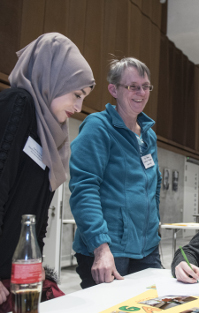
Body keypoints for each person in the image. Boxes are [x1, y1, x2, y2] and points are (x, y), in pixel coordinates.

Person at [0, 32, 95, 310]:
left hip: (19, 276)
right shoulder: (18, 104)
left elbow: (38, 213)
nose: (78, 107)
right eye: (76, 94)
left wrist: (36, 265)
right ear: (52, 78)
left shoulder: (52, 136)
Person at [70, 57, 162, 289]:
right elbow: (84, 188)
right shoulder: (97, 126)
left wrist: (154, 231)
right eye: (133, 86)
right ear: (113, 89)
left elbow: (154, 187)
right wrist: (101, 248)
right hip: (110, 251)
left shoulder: (149, 135)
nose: (141, 92)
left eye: (145, 86)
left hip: (148, 250)